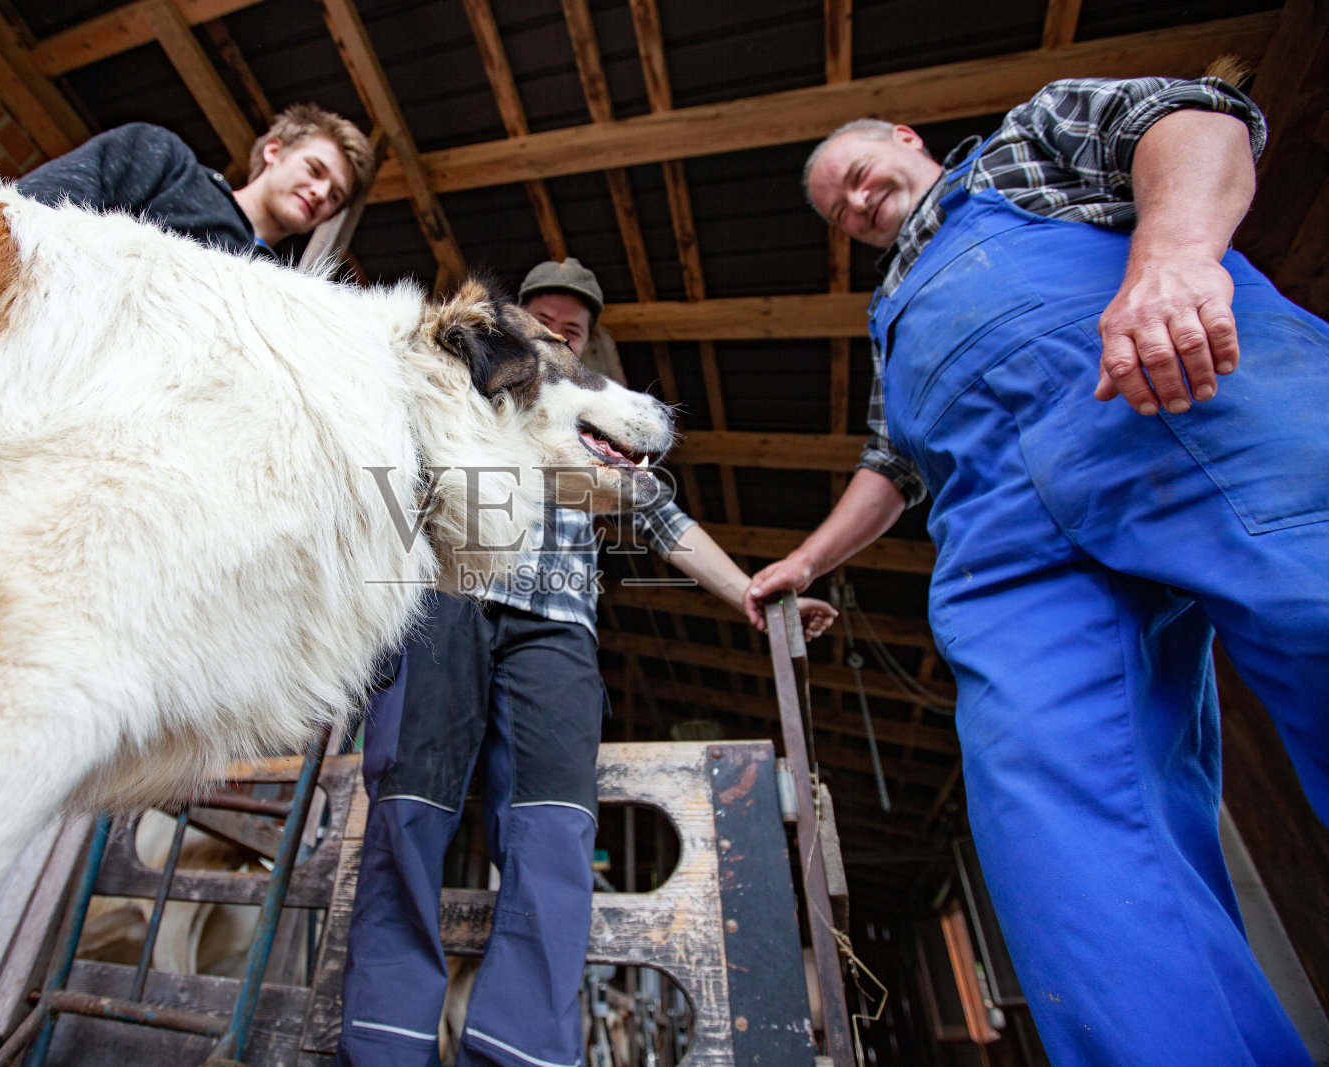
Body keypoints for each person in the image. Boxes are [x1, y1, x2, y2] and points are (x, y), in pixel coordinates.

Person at [742, 76, 1329, 1067]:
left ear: (901, 135)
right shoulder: (889, 315)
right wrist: (800, 563)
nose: (851, 204)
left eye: (850, 176)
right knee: (1057, 821)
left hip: (1180, 391)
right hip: (1007, 542)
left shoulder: (1021, 146)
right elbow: (892, 467)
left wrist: (1175, 259)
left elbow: (1194, 123)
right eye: (835, 210)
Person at [335, 258, 837, 1067]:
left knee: (556, 830)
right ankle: (383, 1044)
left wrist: (753, 593)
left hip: (557, 626)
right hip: (448, 600)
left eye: (578, 321)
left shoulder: (598, 429)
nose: (562, 327)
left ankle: (521, 1048)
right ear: (516, 326)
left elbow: (666, 522)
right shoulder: (469, 386)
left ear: (590, 338)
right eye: (545, 316)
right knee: (408, 810)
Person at [15, 102, 375, 258]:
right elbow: (25, 216)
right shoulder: (162, 161)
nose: (321, 192)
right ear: (274, 151)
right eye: (315, 170)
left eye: (335, 197)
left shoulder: (279, 293)